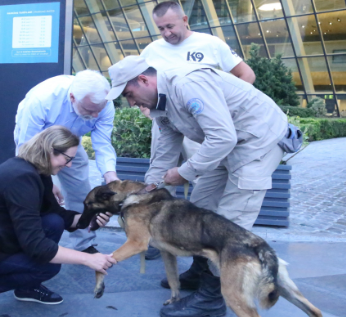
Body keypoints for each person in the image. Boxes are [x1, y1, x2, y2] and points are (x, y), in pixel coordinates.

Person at [106, 56, 287, 317]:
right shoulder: (160, 102)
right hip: (226, 143)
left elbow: (223, 137)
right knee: (198, 210)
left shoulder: (187, 84)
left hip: (257, 141)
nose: (131, 103)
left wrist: (184, 172)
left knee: (229, 222)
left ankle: (212, 300)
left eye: (129, 94)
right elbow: (165, 149)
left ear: (144, 80)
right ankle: (202, 272)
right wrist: (148, 189)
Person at [0, 126, 117, 317]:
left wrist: (89, 219)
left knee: (53, 222)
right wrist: (88, 258)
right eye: (68, 159)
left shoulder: (38, 171)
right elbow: (37, 246)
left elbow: (57, 215)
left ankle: (26, 287)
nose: (69, 165)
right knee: (48, 266)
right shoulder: (21, 178)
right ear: (49, 151)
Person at [140, 1, 256, 261]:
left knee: (202, 176)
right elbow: (141, 86)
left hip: (203, 125)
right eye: (161, 29)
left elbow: (246, 75)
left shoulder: (210, 44)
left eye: (170, 26)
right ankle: (158, 235)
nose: (166, 33)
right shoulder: (151, 51)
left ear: (184, 20)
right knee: (159, 174)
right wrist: (145, 109)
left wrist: (220, 111)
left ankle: (197, 241)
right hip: (167, 123)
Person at [14, 70, 120, 254]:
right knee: (33, 190)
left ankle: (84, 242)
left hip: (72, 140)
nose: (96, 115)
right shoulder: (42, 100)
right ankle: (30, 239)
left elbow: (103, 144)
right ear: (72, 97)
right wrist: (46, 180)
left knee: (80, 188)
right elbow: (26, 148)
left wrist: (111, 176)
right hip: (37, 142)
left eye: (99, 110)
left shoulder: (104, 104)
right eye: (89, 110)